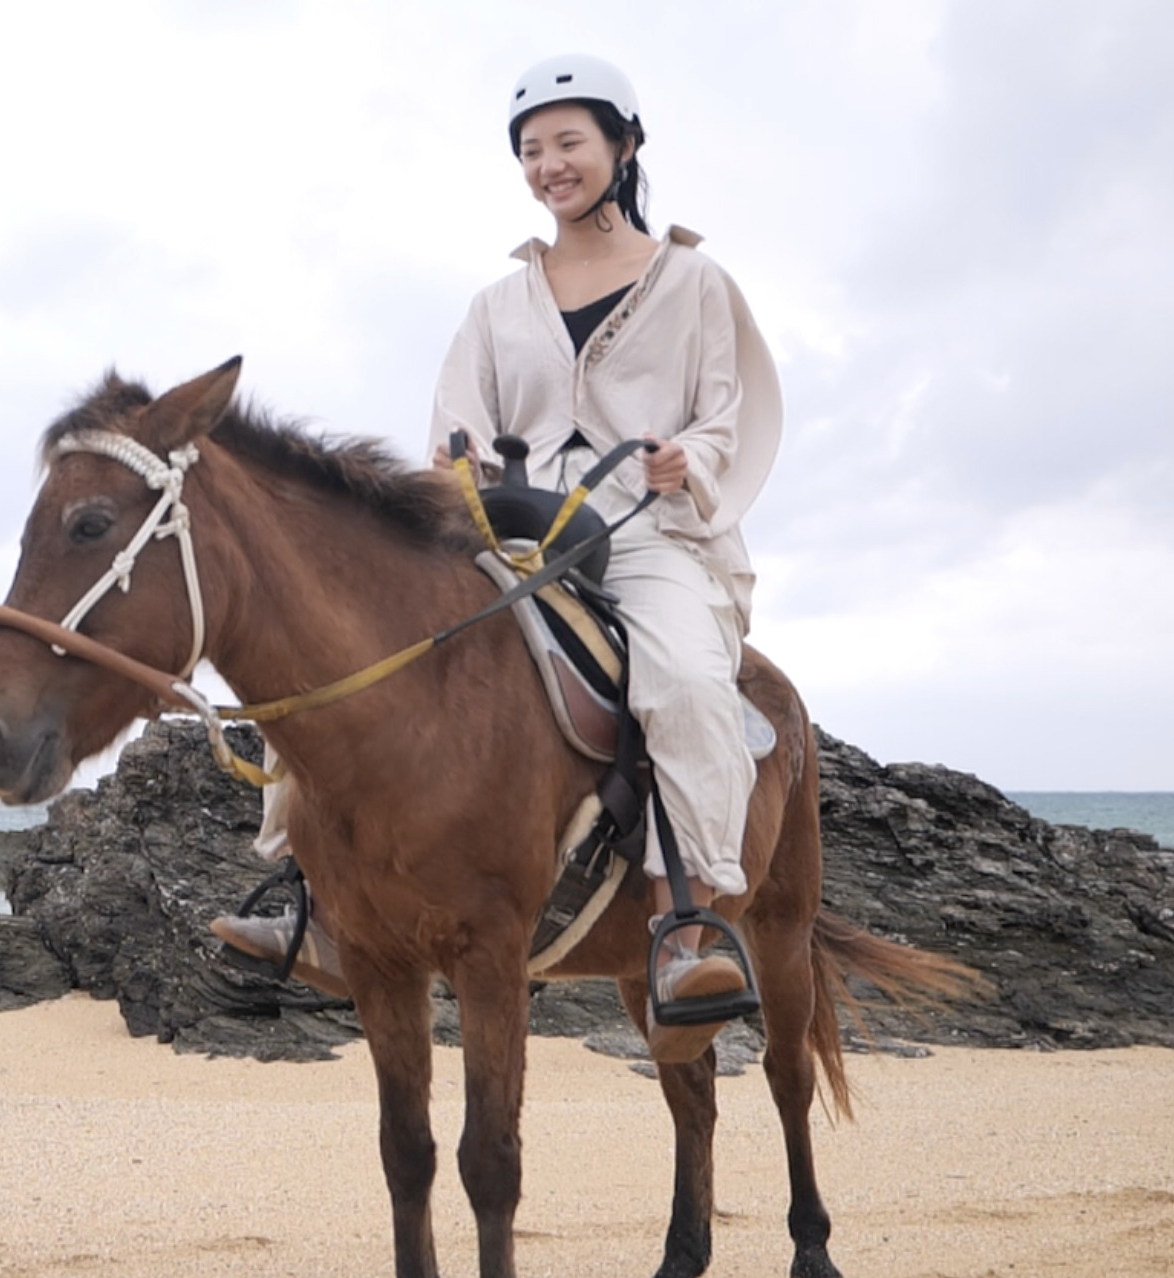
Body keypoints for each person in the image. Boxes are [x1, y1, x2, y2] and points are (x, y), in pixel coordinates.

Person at [213, 53, 782, 1015]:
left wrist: (690, 458)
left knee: (685, 679)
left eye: (569, 142)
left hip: (646, 533)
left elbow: (727, 413)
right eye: (531, 150)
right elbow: (451, 427)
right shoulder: (495, 305)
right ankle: (310, 899)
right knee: (336, 650)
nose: (549, 165)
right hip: (511, 529)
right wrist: (456, 468)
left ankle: (684, 925)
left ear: (624, 145)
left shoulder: (694, 282)